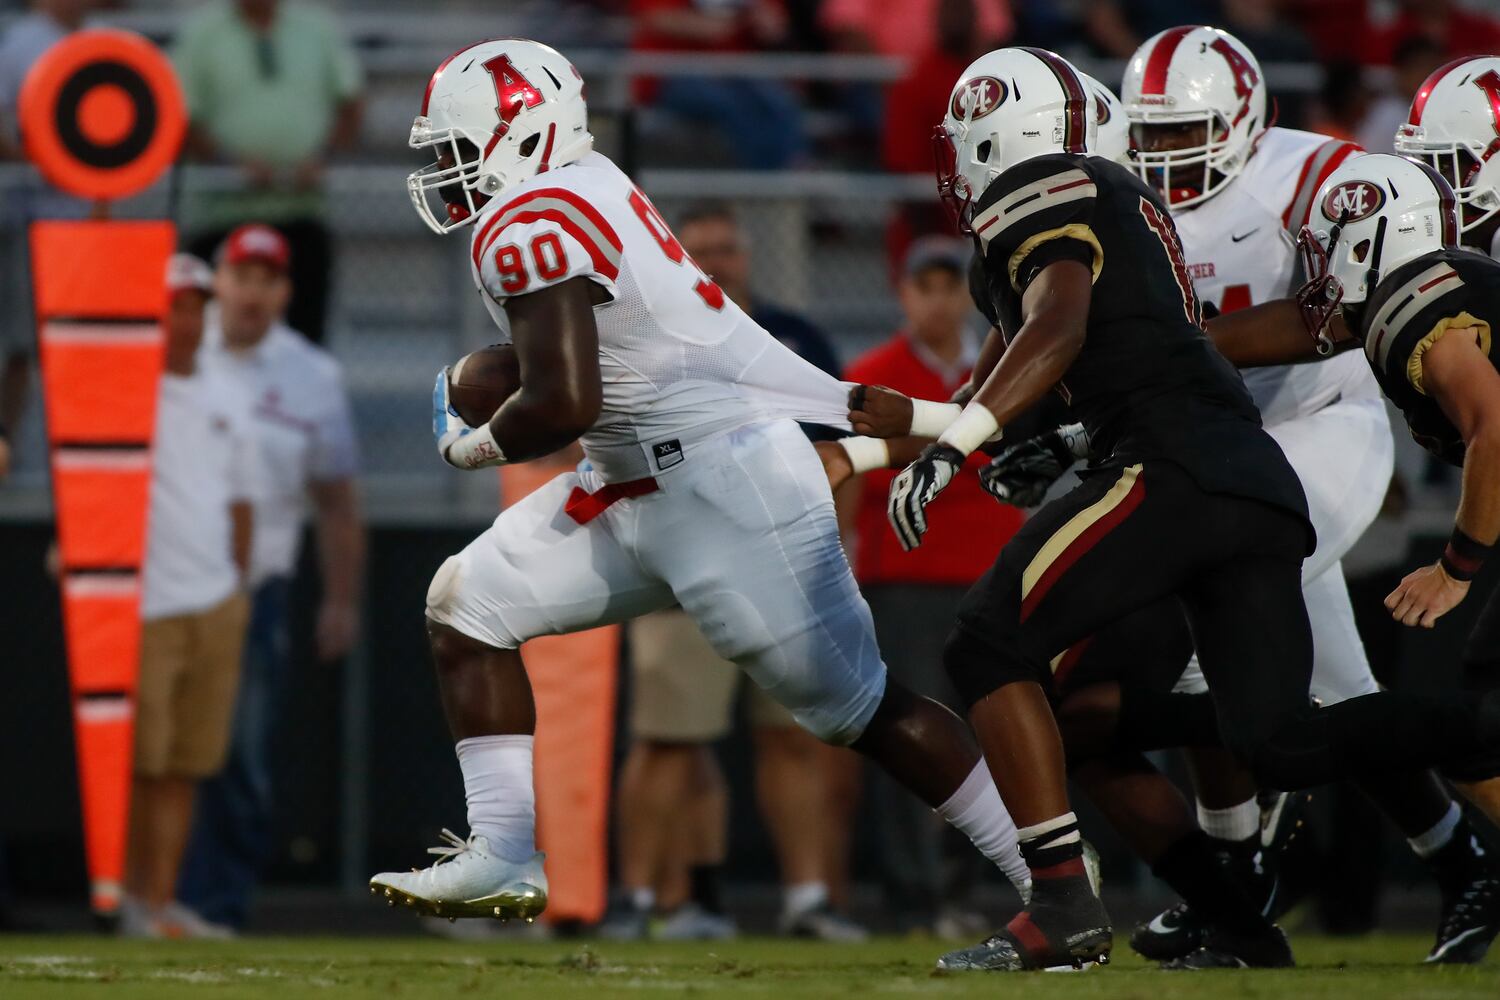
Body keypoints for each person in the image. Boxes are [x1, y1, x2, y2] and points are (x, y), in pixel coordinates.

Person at [839, 45, 1500, 972]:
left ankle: (1067, 905)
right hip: (1251, 479)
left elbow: (1058, 330)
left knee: (988, 642)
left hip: (1185, 464)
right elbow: (1023, 380)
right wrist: (898, 436)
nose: (957, 158)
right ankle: (1451, 754)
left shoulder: (1053, 192)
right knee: (1283, 737)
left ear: (1009, 137)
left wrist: (950, 448)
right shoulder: (1124, 203)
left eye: (970, 137)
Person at [368, 38, 1031, 938]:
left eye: (456, 147)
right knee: (464, 607)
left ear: (522, 135)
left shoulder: (527, 221)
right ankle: (504, 851)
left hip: (726, 490)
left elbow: (564, 399)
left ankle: (1050, 871)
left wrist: (469, 444)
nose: (446, 171)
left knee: (860, 711)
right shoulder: (583, 179)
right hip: (636, 480)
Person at [1105, 25, 1495, 966]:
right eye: (1147, 136)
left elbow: (1349, 315)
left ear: (1244, 121)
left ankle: (1236, 879)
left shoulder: (1317, 175)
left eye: (1183, 132)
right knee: (1340, 696)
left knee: (1211, 613)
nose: (1163, 157)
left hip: (1319, 430)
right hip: (1221, 444)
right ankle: (1460, 862)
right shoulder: (1111, 191)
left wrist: (1461, 560)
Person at [1215, 151, 1500, 840]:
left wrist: (1456, 567)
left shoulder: (1417, 312)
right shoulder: (1420, 290)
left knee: (1478, 721)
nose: (1318, 261)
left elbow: (1495, 428)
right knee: (1475, 719)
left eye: (1331, 244)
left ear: (1373, 240)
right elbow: (1301, 330)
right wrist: (1177, 347)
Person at [604, 204, 865, 943]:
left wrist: (831, 553)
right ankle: (638, 898)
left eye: (729, 247)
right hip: (685, 562)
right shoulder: (649, 338)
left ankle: (808, 898)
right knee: (668, 737)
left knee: (791, 738)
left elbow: (837, 452)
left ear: (750, 256)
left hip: (786, 563)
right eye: (703, 248)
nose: (719, 260)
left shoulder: (796, 339)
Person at [175, 223, 364, 931]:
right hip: (169, 581)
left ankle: (216, 903)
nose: (251, 292)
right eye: (240, 275)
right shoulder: (180, 356)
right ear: (217, 282)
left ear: (285, 291)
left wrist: (341, 599)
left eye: (266, 279)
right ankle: (153, 894)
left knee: (239, 753)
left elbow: (339, 501)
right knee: (163, 746)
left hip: (256, 589)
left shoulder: (313, 376)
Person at [841, 236, 1026, 936]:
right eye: (927, 287)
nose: (940, 300)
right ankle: (915, 897)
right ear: (904, 294)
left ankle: (961, 889)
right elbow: (848, 485)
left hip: (991, 578)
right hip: (907, 582)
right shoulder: (872, 377)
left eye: (952, 287)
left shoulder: (1006, 368)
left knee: (992, 740)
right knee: (916, 736)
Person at [122, 254, 260, 939]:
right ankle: (127, 897)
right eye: (175, 303)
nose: (186, 317)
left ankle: (160, 903)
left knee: (185, 764)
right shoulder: (126, 391)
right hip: (144, 602)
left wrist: (235, 581)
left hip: (213, 601)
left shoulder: (226, 390)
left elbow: (241, 499)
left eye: (194, 304)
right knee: (139, 763)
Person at [173, 0, 364, 343]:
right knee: (214, 340)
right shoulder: (203, 34)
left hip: (301, 213)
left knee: (306, 332)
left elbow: (350, 100)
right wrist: (228, 164)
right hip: (223, 217)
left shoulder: (316, 28)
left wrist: (322, 158)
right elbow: (183, 113)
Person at [0, 0, 94, 456]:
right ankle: (10, 455)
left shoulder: (95, 40)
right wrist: (44, 164)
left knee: (78, 346)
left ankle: (75, 455)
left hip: (83, 222)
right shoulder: (22, 43)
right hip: (32, 219)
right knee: (24, 343)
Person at [630, 0, 807, 170]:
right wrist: (715, 24)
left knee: (778, 101)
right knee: (733, 105)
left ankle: (785, 178)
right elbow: (657, 18)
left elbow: (774, 28)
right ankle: (760, 186)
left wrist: (764, 21)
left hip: (733, 73)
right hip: (670, 75)